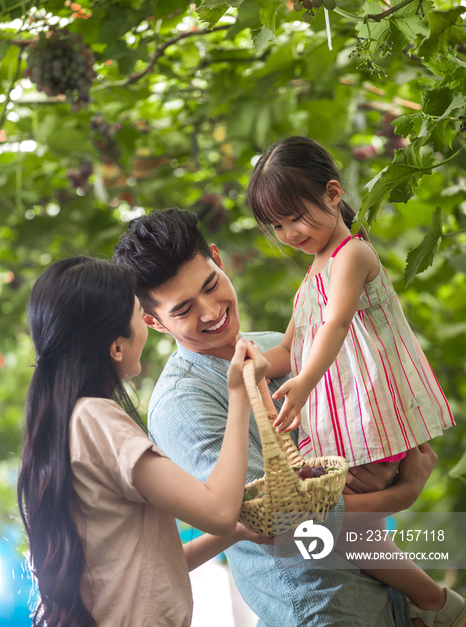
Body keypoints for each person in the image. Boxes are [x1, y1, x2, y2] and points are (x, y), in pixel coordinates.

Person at [113, 207, 440, 627]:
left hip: (392, 596)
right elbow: (277, 523)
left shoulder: (278, 347)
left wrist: (396, 463)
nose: (212, 311)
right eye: (184, 309)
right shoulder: (181, 405)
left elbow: (364, 438)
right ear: (152, 321)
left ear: (218, 257)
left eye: (212, 285)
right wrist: (404, 493)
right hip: (325, 605)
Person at [247, 135, 464, 627]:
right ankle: (426, 601)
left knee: (334, 525)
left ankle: (434, 603)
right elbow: (289, 348)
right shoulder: (311, 277)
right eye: (276, 225)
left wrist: (302, 382)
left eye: (295, 217)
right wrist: (250, 363)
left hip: (373, 418)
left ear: (331, 193)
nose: (288, 233)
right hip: (350, 427)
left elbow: (337, 325)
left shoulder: (352, 255)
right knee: (337, 525)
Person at [17, 256, 271, 627]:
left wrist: (241, 532)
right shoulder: (96, 419)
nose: (147, 327)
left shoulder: (66, 422)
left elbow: (150, 567)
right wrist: (238, 395)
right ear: (116, 347)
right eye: (139, 315)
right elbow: (218, 511)